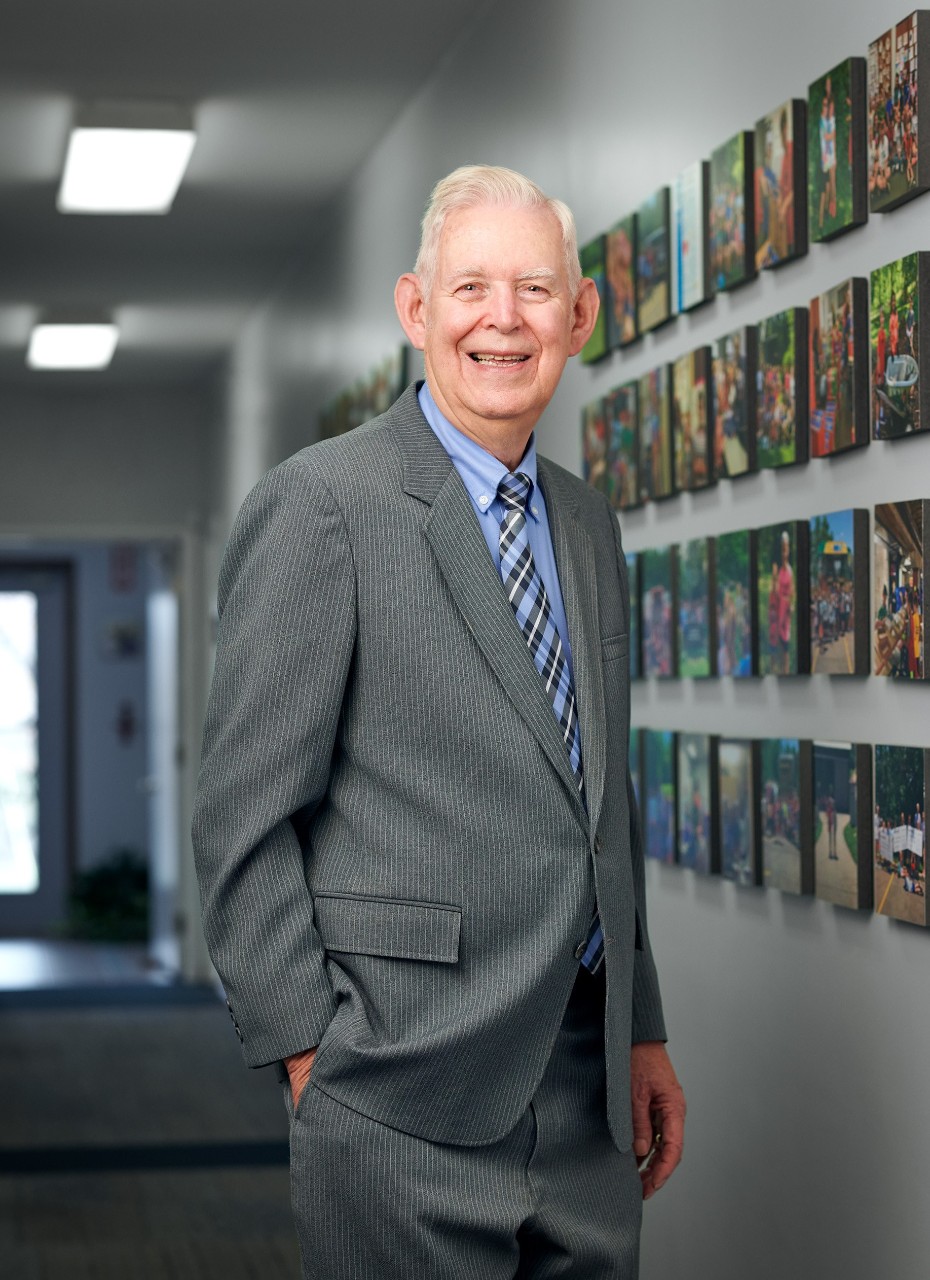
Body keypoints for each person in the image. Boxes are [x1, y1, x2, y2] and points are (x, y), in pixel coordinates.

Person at [192, 164, 684, 1280]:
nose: (502, 320)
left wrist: (641, 1028)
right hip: (399, 1086)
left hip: (587, 1095)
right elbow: (243, 817)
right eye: (470, 289)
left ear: (579, 314)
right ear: (416, 309)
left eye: (532, 289)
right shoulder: (323, 505)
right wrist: (309, 1052)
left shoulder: (591, 525)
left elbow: (602, 805)